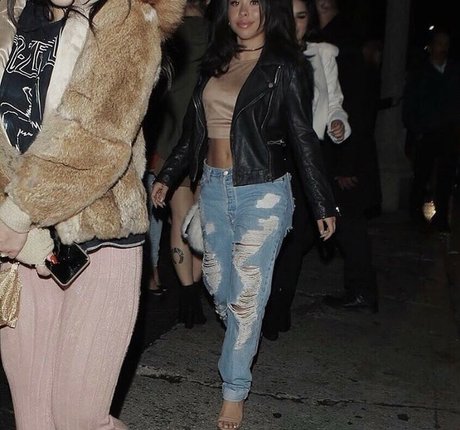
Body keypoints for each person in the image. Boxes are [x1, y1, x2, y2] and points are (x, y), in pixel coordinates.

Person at [152, 0, 337, 427]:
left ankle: (234, 389)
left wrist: (322, 201)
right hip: (214, 189)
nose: (244, 10)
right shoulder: (214, 62)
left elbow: (302, 135)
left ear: (268, 10)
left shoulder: (284, 66)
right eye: (235, 2)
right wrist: (169, 174)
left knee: (246, 297)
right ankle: (242, 327)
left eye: (254, 2)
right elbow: (193, 131)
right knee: (219, 286)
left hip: (264, 192)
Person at [0, 0, 184, 429]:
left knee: (80, 418)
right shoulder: (9, 18)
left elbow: (96, 139)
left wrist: (16, 214)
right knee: (33, 419)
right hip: (22, 247)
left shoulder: (127, 17)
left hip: (100, 239)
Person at [263, 0, 351, 341]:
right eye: (289, 16)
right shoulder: (262, 53)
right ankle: (264, 306)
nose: (295, 23)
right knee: (269, 235)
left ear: (309, 20)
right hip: (271, 157)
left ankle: (279, 307)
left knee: (296, 237)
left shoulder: (322, 54)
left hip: (309, 158)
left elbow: (335, 104)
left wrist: (337, 124)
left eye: (301, 17)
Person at [314, 0, 381, 312]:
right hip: (333, 152)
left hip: (344, 152)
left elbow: (355, 104)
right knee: (344, 224)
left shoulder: (345, 41)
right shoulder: (324, 34)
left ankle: (361, 291)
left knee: (349, 225)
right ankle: (360, 290)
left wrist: (347, 164)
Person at [146, 0, 209, 326]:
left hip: (171, 136)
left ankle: (187, 296)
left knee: (180, 218)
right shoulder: (217, 34)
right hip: (207, 136)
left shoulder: (166, 30)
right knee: (200, 220)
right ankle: (194, 290)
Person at [403, 27, 460, 233]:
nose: (442, 48)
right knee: (422, 174)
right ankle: (415, 213)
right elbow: (410, 102)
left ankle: (441, 216)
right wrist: (416, 128)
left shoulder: (454, 71)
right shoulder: (420, 72)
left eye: (446, 44)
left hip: (449, 131)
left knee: (446, 176)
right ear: (432, 46)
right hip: (427, 131)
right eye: (439, 44)